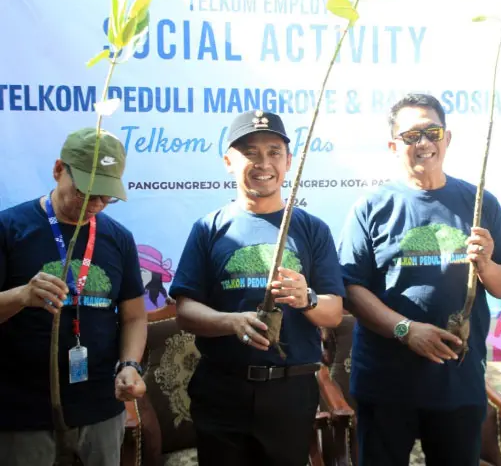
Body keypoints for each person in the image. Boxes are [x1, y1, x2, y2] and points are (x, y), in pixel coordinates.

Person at [337, 93, 501, 465]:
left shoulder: (479, 203)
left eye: (431, 132)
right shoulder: (371, 206)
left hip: (457, 381)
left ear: (447, 138)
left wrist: (486, 265)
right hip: (386, 383)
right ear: (394, 146)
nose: (423, 143)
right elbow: (349, 288)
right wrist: (406, 329)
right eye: (411, 136)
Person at [169, 110, 344, 466]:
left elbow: (334, 311)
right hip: (222, 389)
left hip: (291, 391)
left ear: (289, 161)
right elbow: (185, 310)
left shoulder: (312, 230)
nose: (263, 163)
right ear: (228, 161)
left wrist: (307, 298)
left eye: (274, 152)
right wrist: (230, 323)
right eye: (250, 152)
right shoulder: (209, 229)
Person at [0, 128, 148, 466]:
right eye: (85, 192)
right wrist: (21, 295)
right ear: (57, 170)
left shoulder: (118, 238)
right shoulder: (10, 228)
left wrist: (129, 365)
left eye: (105, 196)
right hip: (22, 412)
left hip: (99, 406)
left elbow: (134, 316)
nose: (94, 204)